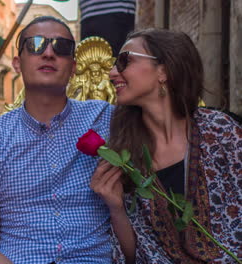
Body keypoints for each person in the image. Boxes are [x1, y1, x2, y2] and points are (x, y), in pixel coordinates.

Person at [0, 16, 115, 264]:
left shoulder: (105, 118)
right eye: (36, 45)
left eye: (61, 47)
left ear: (73, 67)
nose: (49, 53)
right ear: (17, 63)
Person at [91, 28, 242, 263]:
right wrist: (116, 207)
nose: (112, 73)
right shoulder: (125, 153)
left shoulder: (221, 132)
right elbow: (134, 256)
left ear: (163, 70)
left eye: (124, 61)